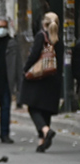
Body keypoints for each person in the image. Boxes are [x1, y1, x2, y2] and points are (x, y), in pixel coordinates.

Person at [20, 12, 64, 153]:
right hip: (54, 79)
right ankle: (42, 141)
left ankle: (46, 130)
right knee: (46, 110)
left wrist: (25, 69)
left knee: (33, 107)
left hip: (39, 77)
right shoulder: (59, 39)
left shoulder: (41, 36)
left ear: (43, 23)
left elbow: (34, 55)